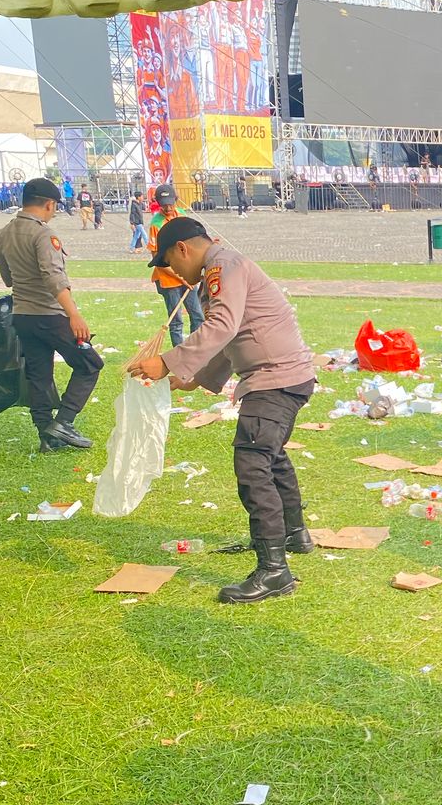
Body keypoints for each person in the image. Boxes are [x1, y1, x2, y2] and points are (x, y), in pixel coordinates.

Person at [128, 217, 317, 602]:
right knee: (270, 456)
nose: (174, 273)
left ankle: (274, 571)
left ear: (182, 249)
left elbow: (222, 325)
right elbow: (235, 337)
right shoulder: (223, 267)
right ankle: (294, 534)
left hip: (275, 378)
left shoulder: (222, 266)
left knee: (253, 463)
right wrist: (194, 378)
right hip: (283, 375)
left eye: (170, 263)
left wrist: (166, 361)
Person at [0, 177, 102, 452]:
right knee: (89, 364)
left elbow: (7, 278)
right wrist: (74, 315)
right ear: (50, 204)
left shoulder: (4, 233)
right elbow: (54, 278)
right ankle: (64, 422)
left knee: (38, 375)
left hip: (22, 315)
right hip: (50, 315)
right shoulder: (43, 234)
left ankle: (47, 436)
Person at [149, 184, 204, 344]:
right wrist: (181, 278)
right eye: (164, 205)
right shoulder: (156, 224)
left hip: (187, 274)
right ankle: (178, 354)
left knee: (197, 315)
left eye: (170, 204)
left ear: (176, 200)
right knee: (176, 321)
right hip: (169, 279)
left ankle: (194, 349)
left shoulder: (182, 215)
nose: (168, 208)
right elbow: (157, 259)